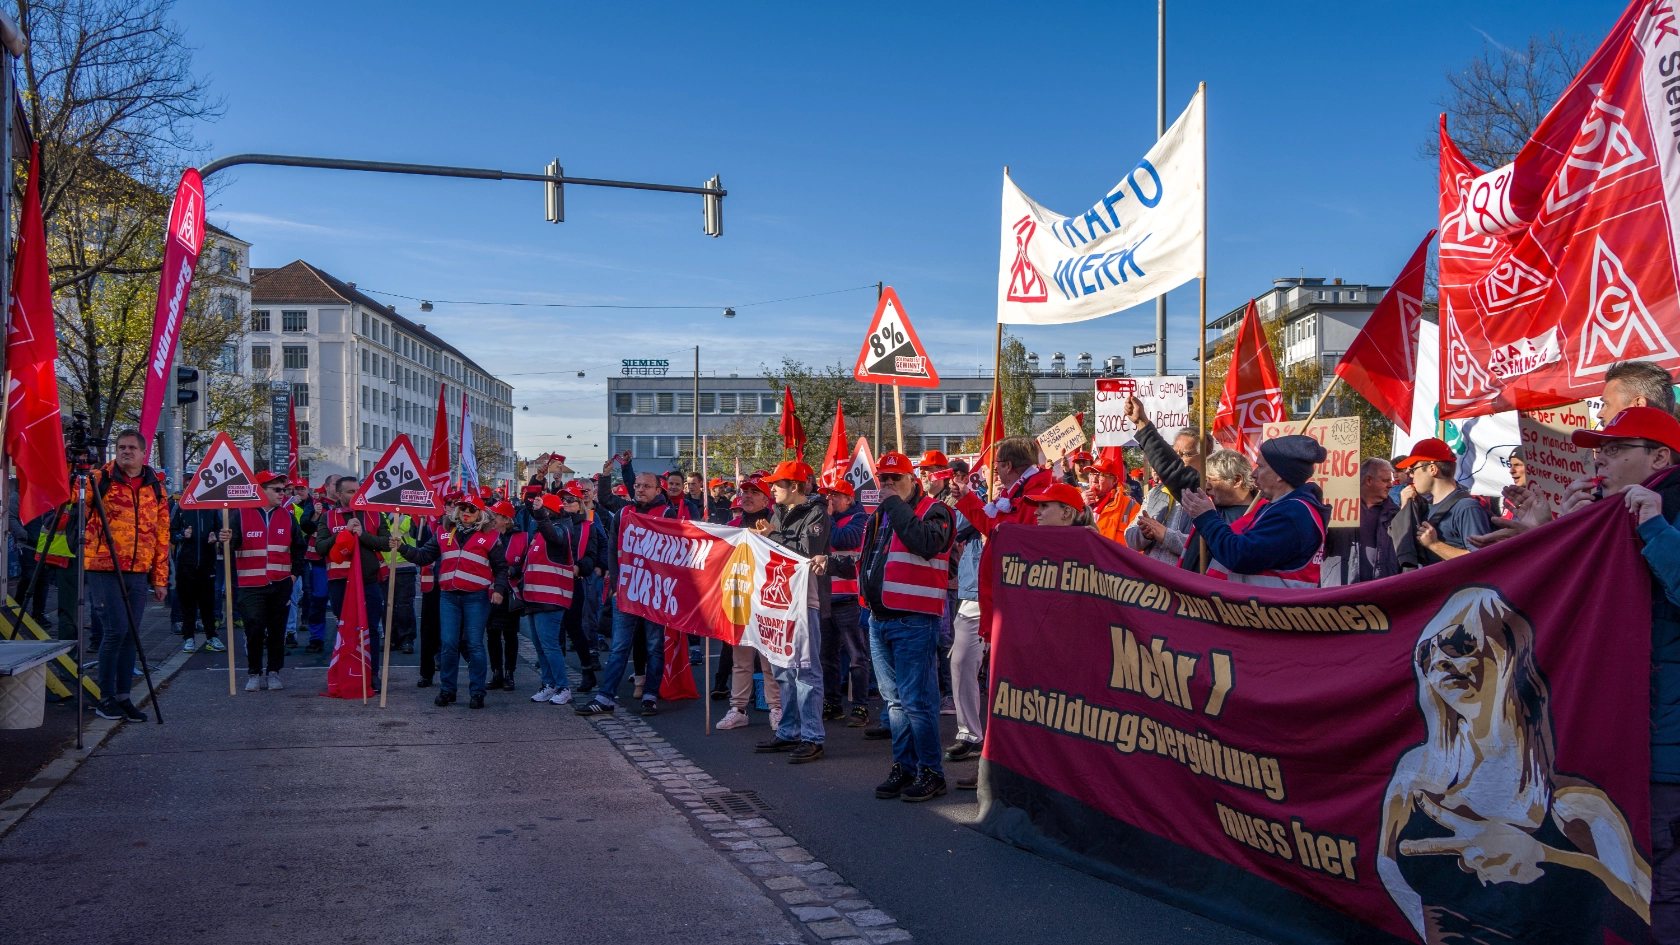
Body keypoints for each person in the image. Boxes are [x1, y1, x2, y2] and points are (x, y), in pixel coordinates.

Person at [1378, 586, 1650, 941]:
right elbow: (1388, 866)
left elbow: (1648, 914)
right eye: (1428, 653)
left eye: (1461, 645)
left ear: (1508, 654)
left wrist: (1549, 859)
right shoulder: (1415, 776)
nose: (1441, 661)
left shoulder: (1577, 809)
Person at [1559, 405, 1680, 939]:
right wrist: (1556, 533)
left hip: (1666, 751)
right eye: (1599, 451)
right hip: (1622, 739)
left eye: (1615, 449)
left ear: (1659, 457)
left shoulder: (1659, 513)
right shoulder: (1611, 514)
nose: (1601, 462)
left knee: (1659, 890)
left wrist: (1655, 527)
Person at [861, 450, 954, 802]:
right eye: (882, 479)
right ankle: (905, 766)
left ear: (912, 480)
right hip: (880, 619)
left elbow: (926, 543)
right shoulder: (881, 515)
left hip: (914, 619)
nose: (886, 485)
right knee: (894, 703)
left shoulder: (934, 510)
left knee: (917, 702)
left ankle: (931, 771)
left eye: (894, 479)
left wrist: (894, 505)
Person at [83, 429, 170, 723]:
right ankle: (105, 698)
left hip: (138, 571)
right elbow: (69, 498)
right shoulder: (98, 479)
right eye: (121, 447)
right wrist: (76, 467)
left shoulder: (155, 487)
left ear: (144, 453)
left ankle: (123, 697)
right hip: (103, 567)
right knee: (115, 631)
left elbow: (162, 535)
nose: (126, 451)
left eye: (132, 447)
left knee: (131, 634)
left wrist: (160, 578)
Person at [749, 462, 831, 763]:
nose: (772, 490)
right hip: (779, 603)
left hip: (804, 601)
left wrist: (771, 536)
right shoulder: (778, 513)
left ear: (794, 487)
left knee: (806, 670)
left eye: (777, 485)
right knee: (782, 668)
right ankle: (789, 731)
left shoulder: (817, 512)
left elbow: (807, 552)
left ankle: (812, 737)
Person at [396, 495, 509, 709]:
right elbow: (423, 557)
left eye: (471, 509)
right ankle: (447, 690)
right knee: (448, 644)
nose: (466, 512)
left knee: (475, 644)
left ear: (480, 514)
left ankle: (477, 692)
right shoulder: (443, 532)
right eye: (463, 508)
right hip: (448, 596)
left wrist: (499, 590)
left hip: (476, 597)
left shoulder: (491, 537)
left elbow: (501, 568)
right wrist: (402, 547)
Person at [576, 471, 672, 718]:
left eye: (646, 486)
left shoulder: (666, 514)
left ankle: (650, 695)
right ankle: (605, 696)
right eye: (638, 485)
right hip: (627, 590)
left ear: (658, 490)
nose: (640, 489)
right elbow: (612, 551)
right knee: (619, 646)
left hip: (654, 592)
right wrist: (617, 585)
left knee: (654, 647)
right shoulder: (623, 514)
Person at [1181, 435, 1328, 588]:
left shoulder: (1292, 514)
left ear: (1280, 474)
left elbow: (1239, 556)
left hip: (1272, 608)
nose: (1253, 474)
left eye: (1261, 467)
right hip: (1263, 608)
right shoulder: (1285, 508)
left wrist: (1207, 518)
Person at [221, 471, 312, 691]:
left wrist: (294, 575)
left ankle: (274, 672)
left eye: (284, 489)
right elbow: (227, 549)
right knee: (254, 629)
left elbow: (299, 547)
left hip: (280, 584)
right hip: (249, 585)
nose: (283, 493)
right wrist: (223, 540)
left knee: (277, 630)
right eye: (277, 489)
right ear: (261, 490)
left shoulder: (288, 516)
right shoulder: (240, 515)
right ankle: (253, 673)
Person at [314, 477, 390, 689]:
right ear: (338, 495)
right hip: (341, 583)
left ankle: (372, 673)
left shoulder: (374, 514)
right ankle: (348, 670)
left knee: (372, 628)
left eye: (358, 490)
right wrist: (345, 532)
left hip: (369, 581)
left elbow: (385, 543)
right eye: (350, 491)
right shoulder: (328, 518)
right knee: (346, 628)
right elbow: (320, 548)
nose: (356, 495)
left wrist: (362, 535)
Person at [719, 476, 782, 728]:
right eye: (744, 491)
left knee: (769, 659)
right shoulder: (732, 525)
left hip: (767, 599)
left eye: (753, 492)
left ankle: (776, 708)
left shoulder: (775, 523)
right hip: (740, 598)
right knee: (741, 659)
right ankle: (738, 709)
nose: (746, 496)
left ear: (766, 499)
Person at [1122, 395, 1203, 565]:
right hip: (1153, 583)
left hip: (1185, 584)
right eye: (1175, 453)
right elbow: (1130, 539)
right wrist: (1144, 533)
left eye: (1185, 454)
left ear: (1205, 457)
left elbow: (1206, 547)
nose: (1178, 458)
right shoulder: (1156, 492)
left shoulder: (1207, 496)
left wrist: (1166, 536)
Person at [815, 479, 870, 729]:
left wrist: (827, 518)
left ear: (849, 499)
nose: (830, 500)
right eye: (828, 496)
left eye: (835, 496)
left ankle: (860, 705)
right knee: (827, 657)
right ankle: (833, 702)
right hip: (826, 597)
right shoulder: (827, 519)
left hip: (849, 599)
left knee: (857, 656)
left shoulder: (860, 520)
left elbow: (843, 540)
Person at [1390, 438, 1492, 568]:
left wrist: (1435, 545)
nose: (1410, 475)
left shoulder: (1466, 507)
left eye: (1413, 469)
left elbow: (1482, 560)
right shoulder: (1424, 506)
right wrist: (1405, 508)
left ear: (1432, 469)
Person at [524, 493, 581, 705]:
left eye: (541, 510)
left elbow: (553, 536)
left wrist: (539, 514)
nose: (536, 515)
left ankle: (563, 687)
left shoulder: (562, 530)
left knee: (549, 645)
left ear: (549, 512)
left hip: (551, 597)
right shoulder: (541, 532)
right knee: (540, 646)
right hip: (535, 596)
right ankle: (549, 685)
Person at [1322, 458, 1400, 585]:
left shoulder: (1396, 514)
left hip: (1380, 591)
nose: (1391, 485)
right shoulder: (1337, 508)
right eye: (1385, 480)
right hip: (1338, 589)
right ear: (1368, 480)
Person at [169, 500, 225, 653]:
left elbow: (221, 529)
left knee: (208, 602)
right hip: (185, 563)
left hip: (207, 562)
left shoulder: (212, 507)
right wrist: (182, 535)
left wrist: (216, 536)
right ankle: (188, 638)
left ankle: (211, 636)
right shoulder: (181, 506)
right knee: (188, 603)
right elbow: (170, 533)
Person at [384, 509, 429, 656]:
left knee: (404, 606)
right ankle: (391, 638)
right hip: (384, 568)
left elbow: (417, 535)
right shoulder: (379, 517)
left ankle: (407, 639)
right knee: (387, 606)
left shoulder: (406, 519)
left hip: (405, 567)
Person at [1084, 454, 1141, 543]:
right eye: (1091, 474)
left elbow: (1138, 545)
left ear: (1114, 481)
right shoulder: (1080, 500)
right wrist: (1080, 507)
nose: (1094, 479)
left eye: (1100, 475)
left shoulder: (1130, 505)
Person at [1025, 481, 1090, 527]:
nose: (1036, 512)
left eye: (1044, 506)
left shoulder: (1084, 542)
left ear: (1065, 512)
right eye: (1038, 506)